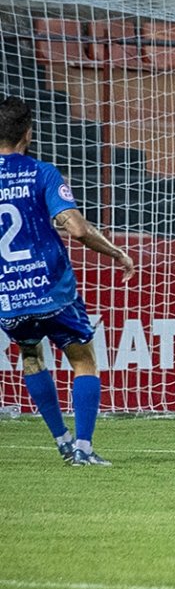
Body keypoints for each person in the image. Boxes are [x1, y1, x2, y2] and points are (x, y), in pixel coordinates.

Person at [0, 95, 136, 466]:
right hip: (52, 288)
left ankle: (62, 440)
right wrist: (117, 253)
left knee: (30, 357)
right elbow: (76, 229)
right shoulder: (42, 173)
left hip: (10, 292)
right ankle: (84, 448)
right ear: (28, 133)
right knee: (83, 360)